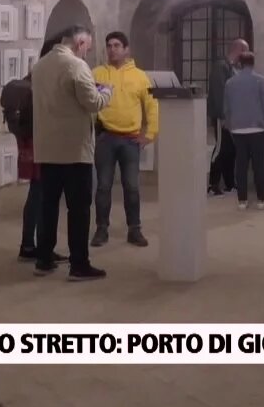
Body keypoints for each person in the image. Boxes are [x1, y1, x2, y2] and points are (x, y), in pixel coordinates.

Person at [30, 25, 113, 281]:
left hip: (47, 148)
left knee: (48, 206)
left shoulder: (40, 65)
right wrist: (107, 92)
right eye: (87, 47)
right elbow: (93, 103)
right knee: (78, 209)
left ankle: (43, 258)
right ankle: (79, 264)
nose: (87, 53)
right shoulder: (76, 67)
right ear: (79, 43)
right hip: (74, 150)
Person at [91, 31, 160, 247]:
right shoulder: (97, 74)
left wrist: (150, 134)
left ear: (126, 49)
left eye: (117, 45)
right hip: (105, 138)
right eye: (109, 45)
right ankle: (102, 229)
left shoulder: (139, 76)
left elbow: (152, 105)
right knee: (103, 186)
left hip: (130, 139)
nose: (112, 49)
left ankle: (134, 229)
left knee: (132, 186)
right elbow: (88, 103)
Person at [11, 39, 68, 263]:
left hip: (31, 142)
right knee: (42, 195)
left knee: (39, 193)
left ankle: (32, 245)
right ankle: (36, 247)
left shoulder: (33, 76)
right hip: (42, 142)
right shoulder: (43, 79)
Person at [223, 51, 264, 210]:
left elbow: (227, 108)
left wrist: (230, 125)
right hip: (258, 127)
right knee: (259, 165)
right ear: (253, 63)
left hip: (237, 128)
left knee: (241, 165)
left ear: (240, 63)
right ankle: (260, 199)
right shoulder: (261, 81)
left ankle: (242, 200)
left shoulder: (230, 83)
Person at [207, 38, 249, 196]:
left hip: (231, 117)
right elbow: (219, 93)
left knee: (229, 150)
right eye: (245, 51)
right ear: (239, 50)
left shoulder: (231, 68)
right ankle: (213, 184)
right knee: (220, 149)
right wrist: (223, 116)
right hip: (221, 116)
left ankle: (230, 184)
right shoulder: (221, 67)